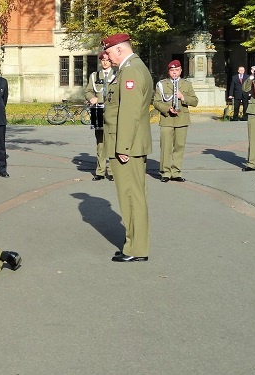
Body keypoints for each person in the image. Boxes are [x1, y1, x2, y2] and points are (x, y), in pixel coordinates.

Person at [101, 33, 153, 262]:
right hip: (128, 143)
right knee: (131, 196)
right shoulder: (132, 67)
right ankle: (133, 243)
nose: (108, 56)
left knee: (131, 197)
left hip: (126, 146)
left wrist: (122, 147)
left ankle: (136, 249)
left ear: (120, 49)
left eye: (109, 52)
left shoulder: (130, 70)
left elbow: (129, 113)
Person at [153, 60, 199, 182]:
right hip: (167, 119)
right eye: (172, 71)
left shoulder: (186, 84)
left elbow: (195, 101)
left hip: (182, 120)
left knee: (179, 146)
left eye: (177, 70)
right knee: (166, 147)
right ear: (168, 72)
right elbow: (156, 102)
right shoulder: (162, 84)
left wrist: (182, 97)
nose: (174, 73)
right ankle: (165, 172)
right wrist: (167, 109)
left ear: (181, 71)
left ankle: (176, 172)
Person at [84, 52, 116, 181]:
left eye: (107, 60)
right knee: (101, 142)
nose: (105, 62)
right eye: (103, 60)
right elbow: (88, 91)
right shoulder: (95, 75)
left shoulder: (117, 75)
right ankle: (100, 171)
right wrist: (91, 98)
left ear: (111, 61)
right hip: (99, 111)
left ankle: (113, 171)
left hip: (113, 111)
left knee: (113, 142)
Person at [242, 61, 255, 172]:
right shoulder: (254, 79)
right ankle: (252, 164)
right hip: (254, 111)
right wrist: (252, 75)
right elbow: (245, 89)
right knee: (253, 139)